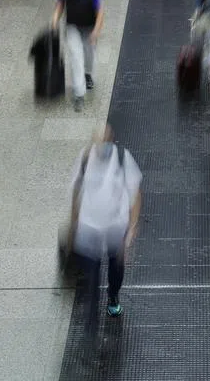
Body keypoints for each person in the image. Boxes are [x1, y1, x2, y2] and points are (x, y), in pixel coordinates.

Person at [67, 124, 142, 335]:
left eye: (105, 141)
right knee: (90, 275)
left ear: (111, 141)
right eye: (98, 142)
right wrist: (74, 225)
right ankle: (91, 324)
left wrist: (132, 227)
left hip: (115, 228)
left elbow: (135, 194)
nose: (101, 147)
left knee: (116, 269)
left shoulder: (121, 158)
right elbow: (76, 192)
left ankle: (113, 295)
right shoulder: (84, 160)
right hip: (89, 230)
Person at [52, 0, 104, 111]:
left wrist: (96, 31)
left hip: (89, 27)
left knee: (89, 55)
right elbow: (59, 6)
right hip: (72, 26)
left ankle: (88, 74)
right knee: (76, 56)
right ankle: (79, 94)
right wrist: (55, 20)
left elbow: (100, 12)